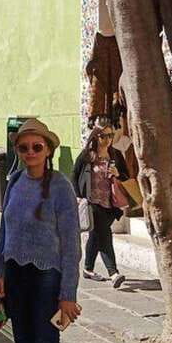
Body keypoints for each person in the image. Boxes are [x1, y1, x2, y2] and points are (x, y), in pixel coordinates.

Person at [0, 118, 82, 343]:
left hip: (46, 276)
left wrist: (68, 293)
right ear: (17, 151)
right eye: (24, 147)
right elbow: (5, 228)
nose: (30, 152)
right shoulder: (15, 181)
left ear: (48, 150)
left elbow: (71, 244)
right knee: (22, 341)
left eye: (37, 146)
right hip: (14, 273)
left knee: (46, 342)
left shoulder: (60, 186)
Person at [71, 123, 130, 289]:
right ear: (96, 137)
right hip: (92, 203)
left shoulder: (116, 155)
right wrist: (78, 196)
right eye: (104, 136)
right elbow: (74, 175)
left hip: (111, 204)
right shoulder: (87, 156)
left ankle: (88, 269)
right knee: (104, 234)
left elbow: (126, 177)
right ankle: (113, 273)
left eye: (111, 135)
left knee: (96, 236)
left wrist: (118, 174)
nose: (108, 140)